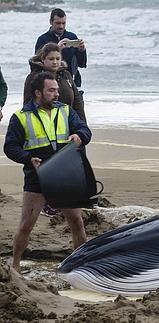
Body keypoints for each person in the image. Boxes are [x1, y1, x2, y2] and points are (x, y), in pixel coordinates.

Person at [3, 72, 91, 273]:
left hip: (65, 176)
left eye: (57, 90)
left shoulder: (67, 112)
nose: (56, 94)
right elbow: (10, 147)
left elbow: (85, 131)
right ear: (37, 93)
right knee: (26, 225)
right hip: (37, 177)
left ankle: (81, 266)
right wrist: (27, 158)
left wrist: (79, 136)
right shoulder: (20, 117)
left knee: (77, 222)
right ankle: (15, 267)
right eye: (51, 90)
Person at [24, 43, 86, 121]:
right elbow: (28, 104)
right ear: (43, 59)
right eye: (51, 59)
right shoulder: (33, 77)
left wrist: (83, 126)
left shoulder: (66, 75)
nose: (55, 62)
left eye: (57, 58)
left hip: (68, 121)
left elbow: (77, 102)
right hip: (43, 122)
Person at [35, 8, 87, 88]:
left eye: (63, 23)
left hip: (72, 82)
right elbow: (37, 64)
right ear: (51, 22)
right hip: (50, 82)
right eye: (58, 23)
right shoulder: (42, 39)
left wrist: (82, 50)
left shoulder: (71, 36)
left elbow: (81, 64)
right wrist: (57, 48)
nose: (61, 26)